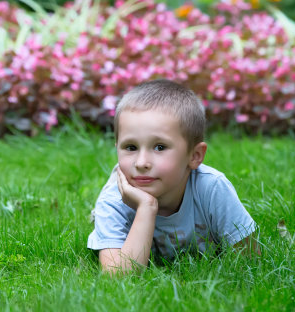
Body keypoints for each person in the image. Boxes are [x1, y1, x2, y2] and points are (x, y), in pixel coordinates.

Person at [87, 79, 259, 274]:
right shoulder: (114, 198)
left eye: (160, 147)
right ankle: (100, 228)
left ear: (194, 156)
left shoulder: (212, 189)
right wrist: (146, 207)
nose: (142, 162)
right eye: (131, 147)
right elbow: (118, 278)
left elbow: (250, 261)